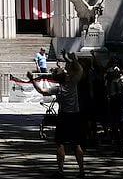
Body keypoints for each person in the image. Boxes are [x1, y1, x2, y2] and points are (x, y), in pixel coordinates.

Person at [27, 51, 85, 179]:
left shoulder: (58, 89)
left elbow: (42, 91)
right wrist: (74, 59)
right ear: (66, 77)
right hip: (75, 116)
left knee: (60, 143)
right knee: (76, 144)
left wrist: (32, 79)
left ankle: (61, 170)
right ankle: (81, 170)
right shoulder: (73, 84)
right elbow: (80, 70)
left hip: (63, 116)